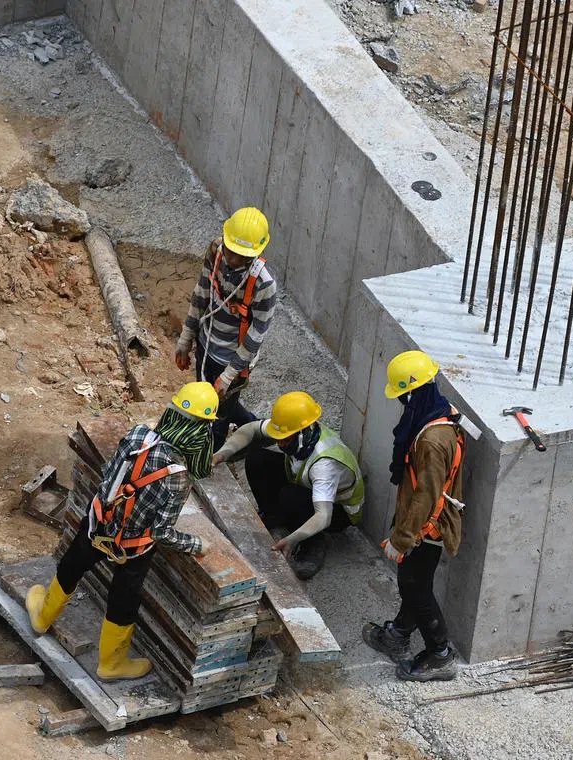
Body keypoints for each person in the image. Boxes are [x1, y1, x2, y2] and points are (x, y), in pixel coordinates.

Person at [25, 382, 218, 681]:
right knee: (123, 598)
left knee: (73, 565)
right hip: (133, 548)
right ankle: (111, 664)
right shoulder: (179, 478)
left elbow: (109, 475)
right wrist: (196, 544)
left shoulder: (138, 435)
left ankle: (42, 617)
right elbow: (162, 533)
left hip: (98, 523)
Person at [362, 350, 464, 682]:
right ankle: (400, 633)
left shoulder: (432, 441)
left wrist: (403, 539)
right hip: (418, 521)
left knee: (415, 587)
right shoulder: (435, 412)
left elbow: (429, 496)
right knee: (413, 582)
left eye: (402, 395)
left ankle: (440, 654)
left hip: (427, 527)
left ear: (411, 392)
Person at [212, 391, 364, 580]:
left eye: (285, 439)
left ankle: (314, 540)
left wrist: (292, 540)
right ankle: (274, 517)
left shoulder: (325, 463)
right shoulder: (292, 428)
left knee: (290, 496)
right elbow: (251, 430)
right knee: (256, 459)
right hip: (305, 484)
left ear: (302, 434)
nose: (280, 443)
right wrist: (224, 452)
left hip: (338, 512)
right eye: (279, 438)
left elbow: (323, 516)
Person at [175, 207, 278, 449]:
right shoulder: (215, 252)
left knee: (217, 416)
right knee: (213, 399)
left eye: (240, 255)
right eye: (230, 250)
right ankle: (258, 430)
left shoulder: (263, 285)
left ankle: (208, 461)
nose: (231, 259)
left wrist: (229, 375)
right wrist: (186, 339)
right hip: (206, 344)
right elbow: (201, 294)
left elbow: (255, 338)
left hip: (233, 360)